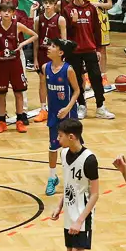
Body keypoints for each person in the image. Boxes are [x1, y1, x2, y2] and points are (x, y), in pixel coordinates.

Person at [54, 118, 116, 251]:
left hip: (83, 213)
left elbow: (95, 194)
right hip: (70, 211)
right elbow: (68, 183)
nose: (57, 139)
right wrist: (60, 205)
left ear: (71, 137)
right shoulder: (64, 154)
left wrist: (80, 220)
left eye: (60, 136)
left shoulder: (90, 160)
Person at [0, 2, 36, 133]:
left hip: (15, 63)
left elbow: (35, 35)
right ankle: (2, 121)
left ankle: (20, 120)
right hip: (1, 64)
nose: (6, 13)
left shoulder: (17, 25)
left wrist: (22, 44)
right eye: (4, 11)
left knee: (19, 92)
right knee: (1, 94)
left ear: (13, 13)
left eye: (9, 11)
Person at [64, 0, 115, 120]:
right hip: (74, 51)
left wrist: (98, 49)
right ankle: (81, 105)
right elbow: (66, 32)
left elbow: (96, 30)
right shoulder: (67, 9)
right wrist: (73, 22)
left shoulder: (91, 8)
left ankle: (100, 106)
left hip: (90, 49)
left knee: (96, 78)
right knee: (76, 80)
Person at [41, 38, 82, 197]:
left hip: (68, 114)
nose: (49, 48)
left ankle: (75, 178)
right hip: (53, 114)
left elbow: (77, 91)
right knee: (53, 147)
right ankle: (52, 177)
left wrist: (67, 108)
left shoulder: (68, 69)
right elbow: (43, 87)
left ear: (61, 52)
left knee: (72, 148)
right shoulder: (45, 68)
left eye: (53, 46)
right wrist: (43, 106)